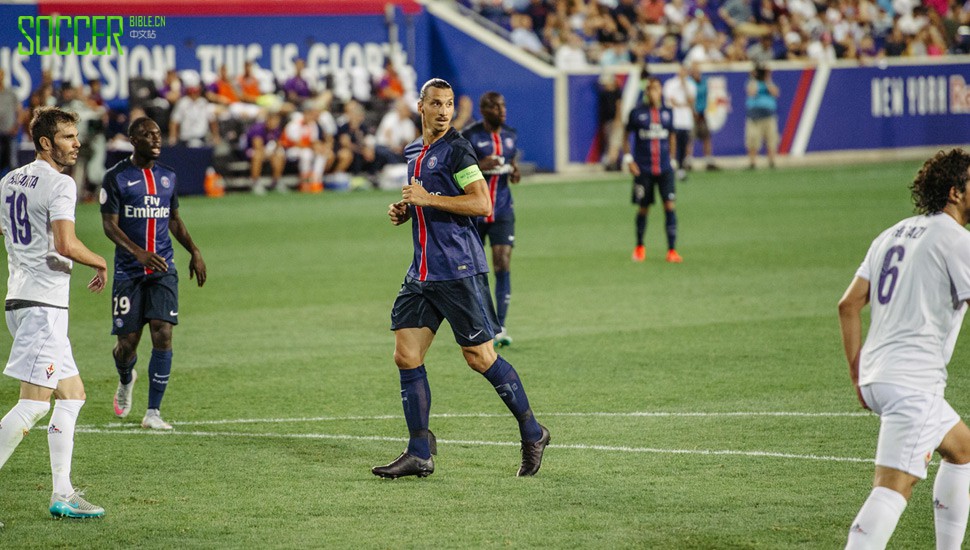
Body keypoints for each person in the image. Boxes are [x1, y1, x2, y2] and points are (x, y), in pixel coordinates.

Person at [373, 78, 550, 479]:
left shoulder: (457, 149)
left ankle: (532, 432)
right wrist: (408, 211)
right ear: (421, 106)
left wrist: (427, 201)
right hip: (422, 272)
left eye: (449, 104)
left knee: (480, 358)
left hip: (457, 270)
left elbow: (481, 202)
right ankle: (420, 452)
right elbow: (426, 201)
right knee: (406, 354)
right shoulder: (415, 150)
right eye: (436, 103)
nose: (443, 111)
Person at [838, 149, 970, 550]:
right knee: (892, 488)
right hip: (914, 383)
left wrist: (858, 373)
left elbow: (848, 305)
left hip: (880, 377)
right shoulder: (956, 240)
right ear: (956, 193)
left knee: (962, 449)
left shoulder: (892, 233)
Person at [0, 107, 108, 521]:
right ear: (46, 143)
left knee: (74, 395)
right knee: (33, 406)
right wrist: (99, 260)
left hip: (20, 299)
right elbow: (65, 243)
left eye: (76, 135)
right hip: (44, 306)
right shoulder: (60, 184)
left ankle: (62, 493)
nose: (76, 142)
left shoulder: (9, 179)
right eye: (67, 136)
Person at [101, 117, 208, 430]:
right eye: (147, 135)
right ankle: (125, 378)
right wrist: (137, 252)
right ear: (134, 140)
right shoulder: (117, 177)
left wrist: (195, 251)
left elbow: (173, 219)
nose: (156, 139)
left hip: (163, 268)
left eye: (158, 134)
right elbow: (109, 225)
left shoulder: (168, 177)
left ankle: (153, 413)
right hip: (129, 271)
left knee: (163, 330)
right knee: (127, 345)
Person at [461, 91, 521, 347]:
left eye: (503, 105)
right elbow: (459, 171)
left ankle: (501, 327)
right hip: (476, 210)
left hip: (503, 210)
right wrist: (480, 166)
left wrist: (514, 170)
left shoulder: (510, 135)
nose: (502, 110)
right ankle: (480, 322)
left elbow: (510, 164)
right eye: (496, 107)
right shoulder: (470, 136)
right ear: (485, 110)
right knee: (475, 268)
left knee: (502, 263)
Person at [622, 78, 683, 264]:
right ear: (647, 92)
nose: (655, 92)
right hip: (644, 169)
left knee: (669, 206)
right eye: (652, 89)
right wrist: (628, 159)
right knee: (643, 208)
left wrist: (672, 159)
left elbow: (672, 135)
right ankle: (640, 247)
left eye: (657, 89)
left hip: (664, 169)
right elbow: (626, 135)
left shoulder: (667, 112)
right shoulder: (637, 113)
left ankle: (672, 250)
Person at [662, 64, 696, 180]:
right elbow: (671, 101)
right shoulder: (670, 84)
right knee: (672, 143)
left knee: (683, 144)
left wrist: (684, 86)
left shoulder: (690, 85)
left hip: (685, 120)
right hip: (674, 119)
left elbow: (691, 100)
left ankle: (681, 168)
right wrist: (683, 104)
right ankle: (670, 165)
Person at [745, 63, 779, 169]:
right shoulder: (751, 83)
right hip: (754, 116)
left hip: (768, 115)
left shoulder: (770, 83)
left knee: (771, 139)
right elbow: (752, 92)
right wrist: (754, 78)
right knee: (753, 139)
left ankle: (772, 161)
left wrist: (767, 79)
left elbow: (775, 93)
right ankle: (752, 162)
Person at [688, 64, 719, 171]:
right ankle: (688, 160)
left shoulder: (704, 81)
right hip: (691, 113)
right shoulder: (688, 82)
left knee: (706, 137)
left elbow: (707, 96)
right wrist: (692, 111)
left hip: (702, 113)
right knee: (690, 138)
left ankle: (708, 160)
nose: (697, 74)